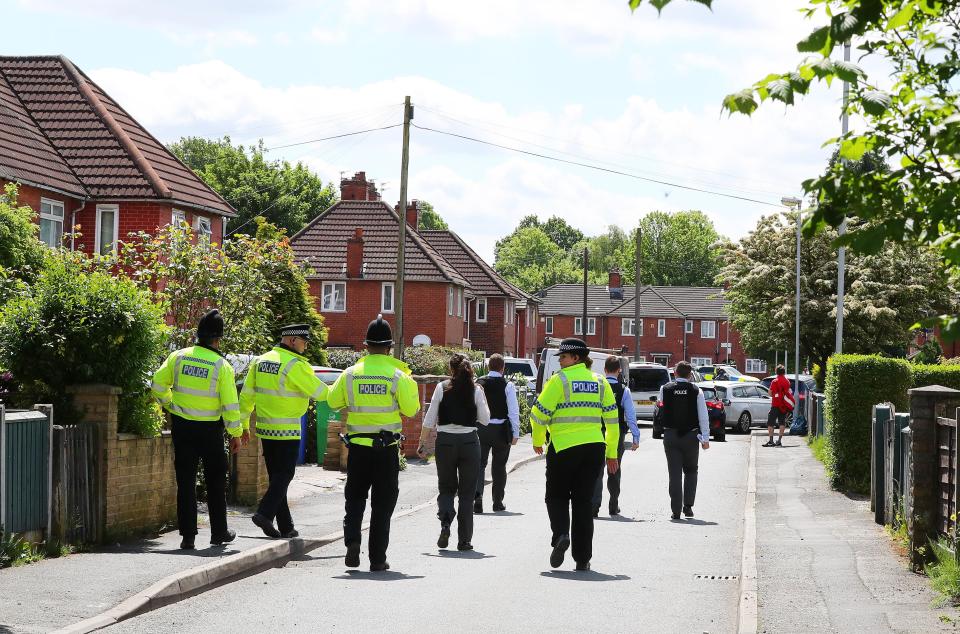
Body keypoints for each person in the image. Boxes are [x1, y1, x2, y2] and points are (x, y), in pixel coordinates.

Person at [327, 315, 420, 572]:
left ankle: (352, 543)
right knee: (382, 504)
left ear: (365, 346)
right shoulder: (397, 375)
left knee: (355, 499)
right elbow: (412, 410)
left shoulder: (350, 374)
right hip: (386, 450)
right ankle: (377, 558)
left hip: (357, 450)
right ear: (389, 347)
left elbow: (333, 402)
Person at [150, 309, 243, 550]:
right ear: (217, 339)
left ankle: (188, 537)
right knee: (215, 482)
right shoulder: (221, 365)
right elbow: (230, 405)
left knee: (186, 482)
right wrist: (235, 433)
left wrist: (170, 404)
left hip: (182, 427)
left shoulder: (178, 356)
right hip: (210, 431)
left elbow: (158, 384)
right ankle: (218, 533)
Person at [531, 338, 619, 572]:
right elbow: (612, 420)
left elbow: (538, 414)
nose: (559, 361)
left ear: (576, 358)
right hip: (594, 449)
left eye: (563, 357)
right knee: (583, 503)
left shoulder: (559, 381)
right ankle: (582, 558)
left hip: (563, 447)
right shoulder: (600, 382)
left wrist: (538, 440)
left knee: (556, 496)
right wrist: (611, 453)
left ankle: (561, 534)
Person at [240, 324, 329, 540]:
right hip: (287, 429)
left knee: (276, 478)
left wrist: (242, 426)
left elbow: (246, 396)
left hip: (265, 429)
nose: (306, 347)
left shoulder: (260, 361)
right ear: (291, 340)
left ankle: (286, 526)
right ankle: (264, 513)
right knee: (285, 475)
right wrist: (346, 394)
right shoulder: (294, 365)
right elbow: (321, 392)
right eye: (304, 342)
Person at [418, 354, 491, 551]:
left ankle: (445, 523)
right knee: (467, 494)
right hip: (469, 442)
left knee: (446, 488)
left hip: (445, 443)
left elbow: (430, 417)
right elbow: (485, 419)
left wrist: (422, 442)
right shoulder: (476, 389)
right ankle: (464, 540)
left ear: (450, 370)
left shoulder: (441, 388)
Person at [658, 361, 710, 520]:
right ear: (690, 375)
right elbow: (703, 416)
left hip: (670, 435)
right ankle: (688, 507)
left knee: (674, 474)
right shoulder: (696, 391)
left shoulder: (665, 389)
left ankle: (675, 511)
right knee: (691, 470)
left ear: (675, 373)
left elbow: (660, 409)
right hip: (690, 436)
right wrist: (705, 438)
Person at [592, 355, 640, 517]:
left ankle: (594, 506)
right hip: (617, 433)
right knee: (614, 469)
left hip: (597, 432)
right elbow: (631, 415)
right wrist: (635, 436)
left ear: (604, 370)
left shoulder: (597, 388)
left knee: (597, 471)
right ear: (619, 371)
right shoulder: (623, 390)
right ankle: (613, 505)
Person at [474, 354, 520, 513]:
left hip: (481, 428)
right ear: (503, 368)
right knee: (499, 467)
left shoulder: (478, 383)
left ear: (488, 367)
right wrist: (516, 433)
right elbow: (513, 411)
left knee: (479, 465)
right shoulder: (508, 385)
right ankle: (497, 502)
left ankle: (477, 498)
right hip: (501, 430)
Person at [764, 364, 794, 447]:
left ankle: (771, 441)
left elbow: (770, 393)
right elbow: (788, 392)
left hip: (775, 404)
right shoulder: (787, 381)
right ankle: (779, 440)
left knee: (770, 422)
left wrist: (774, 394)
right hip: (783, 405)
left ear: (776, 372)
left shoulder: (775, 381)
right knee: (782, 422)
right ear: (784, 372)